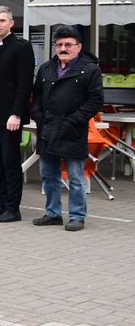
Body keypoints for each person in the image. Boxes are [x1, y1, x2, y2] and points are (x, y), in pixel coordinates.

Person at [31, 27, 103, 232]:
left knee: (76, 178)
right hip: (47, 129)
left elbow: (95, 101)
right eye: (59, 44)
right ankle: (52, 214)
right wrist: (39, 118)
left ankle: (77, 216)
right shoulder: (46, 68)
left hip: (73, 131)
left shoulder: (90, 69)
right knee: (48, 176)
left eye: (68, 45)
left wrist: (73, 121)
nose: (63, 48)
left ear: (78, 47)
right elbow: (36, 97)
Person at [0, 6, 35, 223]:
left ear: (11, 23)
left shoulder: (22, 47)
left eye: (2, 20)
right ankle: (1, 202)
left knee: (10, 162)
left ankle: (13, 208)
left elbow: (24, 84)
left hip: (10, 117)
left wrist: (17, 114)